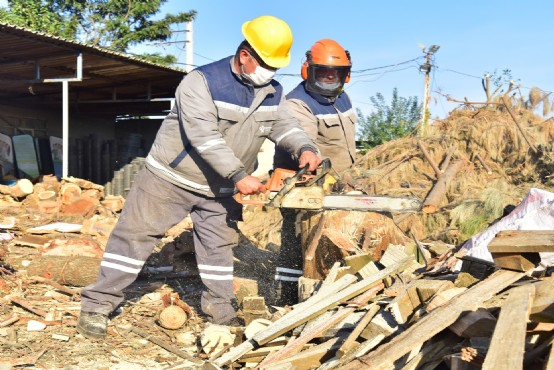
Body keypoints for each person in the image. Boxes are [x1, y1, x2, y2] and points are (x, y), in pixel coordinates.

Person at [76, 15, 322, 339]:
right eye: (266, 64)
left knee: (218, 251)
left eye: (276, 67)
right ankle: (97, 307)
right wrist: (239, 175)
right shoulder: (201, 82)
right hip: (169, 178)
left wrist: (304, 147)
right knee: (133, 239)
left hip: (218, 188)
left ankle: (221, 315)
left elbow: (285, 126)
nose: (271, 73)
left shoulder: (273, 93)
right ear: (245, 55)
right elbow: (203, 136)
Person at [271, 39, 357, 306]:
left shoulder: (343, 99)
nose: (330, 78)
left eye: (336, 72)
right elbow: (307, 147)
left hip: (338, 180)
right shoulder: (298, 104)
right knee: (297, 241)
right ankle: (287, 300)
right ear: (309, 71)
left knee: (328, 241)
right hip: (304, 183)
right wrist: (322, 174)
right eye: (323, 72)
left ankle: (327, 292)